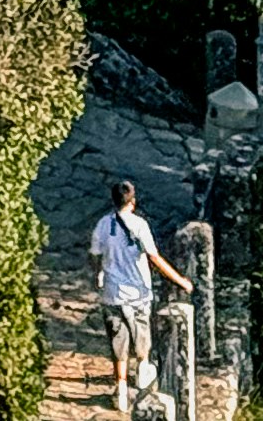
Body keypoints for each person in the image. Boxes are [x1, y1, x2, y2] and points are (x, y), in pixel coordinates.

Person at [91, 173, 192, 414]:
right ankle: (143, 374)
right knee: (142, 339)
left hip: (112, 294)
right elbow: (154, 257)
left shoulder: (104, 225)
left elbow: (95, 254)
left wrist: (100, 273)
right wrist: (180, 280)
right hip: (138, 296)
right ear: (132, 201)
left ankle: (121, 390)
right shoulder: (139, 225)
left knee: (118, 342)